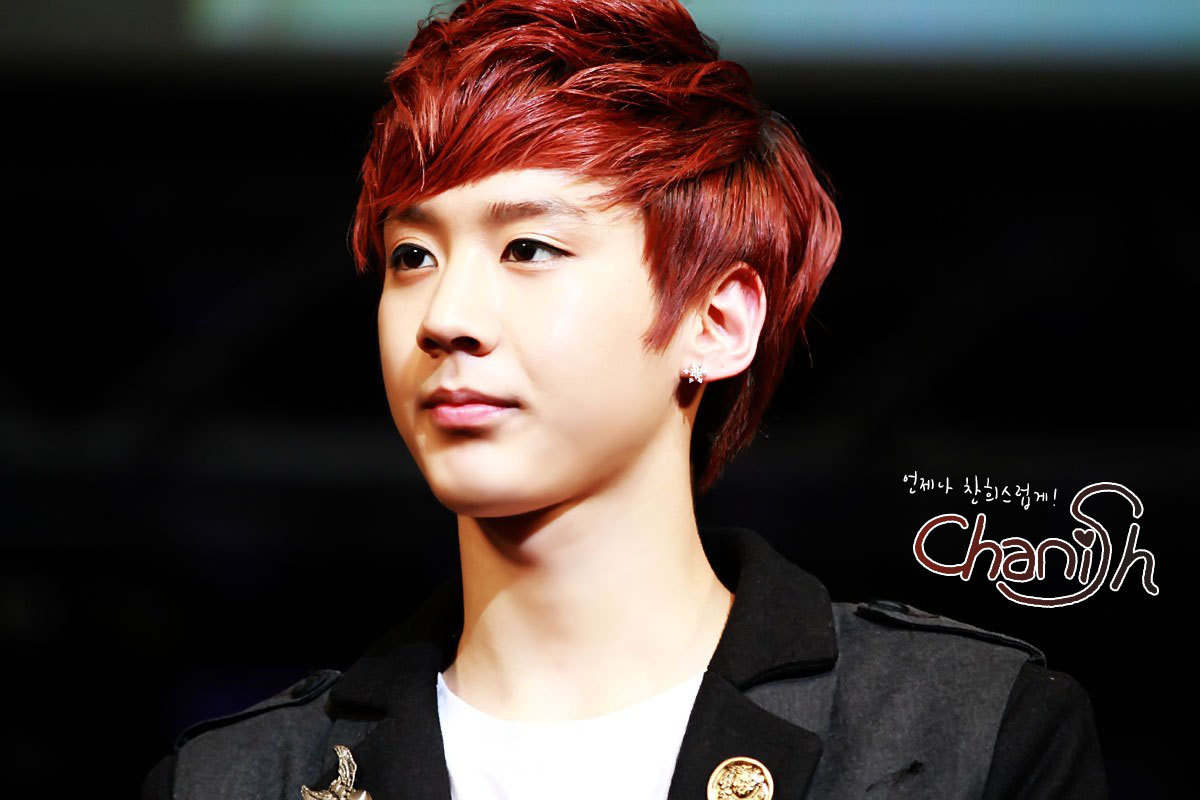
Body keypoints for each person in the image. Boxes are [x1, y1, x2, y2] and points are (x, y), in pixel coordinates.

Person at [143, 1, 1107, 798]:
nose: (446, 317)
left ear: (715, 322)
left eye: (529, 248)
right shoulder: (241, 780)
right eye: (412, 256)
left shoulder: (960, 737)